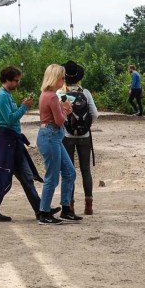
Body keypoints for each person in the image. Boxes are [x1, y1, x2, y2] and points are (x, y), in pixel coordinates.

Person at [0, 65, 57, 223]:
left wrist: (22, 106)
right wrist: (24, 107)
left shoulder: (7, 95)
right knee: (1, 175)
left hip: (14, 141)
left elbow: (12, 116)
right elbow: (10, 119)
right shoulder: (1, 96)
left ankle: (41, 210)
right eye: (16, 81)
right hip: (6, 141)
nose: (18, 83)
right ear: (7, 80)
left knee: (26, 177)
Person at [36, 64, 81, 225]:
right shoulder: (53, 97)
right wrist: (66, 109)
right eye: (62, 77)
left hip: (49, 136)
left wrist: (62, 109)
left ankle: (66, 209)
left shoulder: (45, 94)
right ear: (55, 78)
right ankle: (44, 212)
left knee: (69, 172)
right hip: (51, 136)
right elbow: (59, 120)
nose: (64, 80)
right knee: (53, 176)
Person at [61, 60, 99, 216]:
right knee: (85, 170)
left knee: (69, 171)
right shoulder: (86, 93)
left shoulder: (61, 93)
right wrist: (86, 125)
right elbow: (95, 114)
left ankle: (70, 205)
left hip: (67, 136)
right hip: (84, 136)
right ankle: (88, 205)